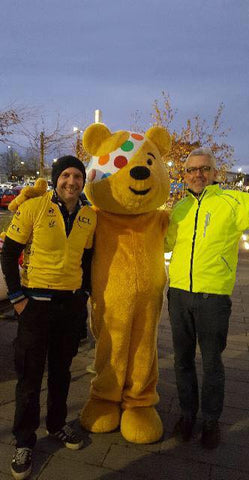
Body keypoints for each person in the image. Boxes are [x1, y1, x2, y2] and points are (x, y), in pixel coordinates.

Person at [165, 148, 249, 449]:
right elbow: (165, 241)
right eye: (192, 169)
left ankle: (210, 420)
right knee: (182, 361)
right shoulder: (179, 209)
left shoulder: (233, 202)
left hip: (214, 298)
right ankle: (187, 415)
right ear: (183, 175)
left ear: (215, 173)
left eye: (204, 168)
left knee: (212, 363)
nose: (198, 174)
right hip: (179, 295)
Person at [1, 156, 96, 480]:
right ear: (57, 179)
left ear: (83, 182)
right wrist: (17, 298)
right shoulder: (34, 207)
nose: (72, 182)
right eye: (66, 176)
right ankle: (24, 441)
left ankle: (56, 425)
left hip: (69, 307)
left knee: (61, 372)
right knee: (29, 377)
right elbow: (9, 253)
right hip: (35, 306)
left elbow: (88, 258)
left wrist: (83, 295)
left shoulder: (88, 216)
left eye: (77, 177)